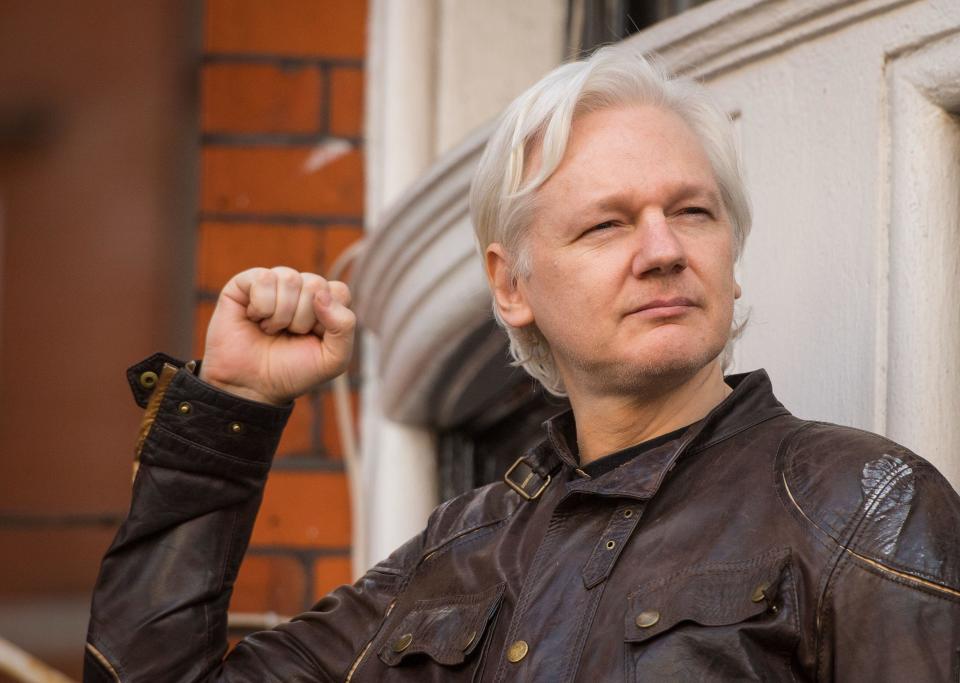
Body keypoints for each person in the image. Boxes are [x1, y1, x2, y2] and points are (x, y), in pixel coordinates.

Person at [84, 45, 960, 682]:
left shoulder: (865, 506)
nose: (662, 250)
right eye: (607, 223)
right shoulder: (458, 550)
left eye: (692, 211)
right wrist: (231, 405)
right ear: (512, 285)